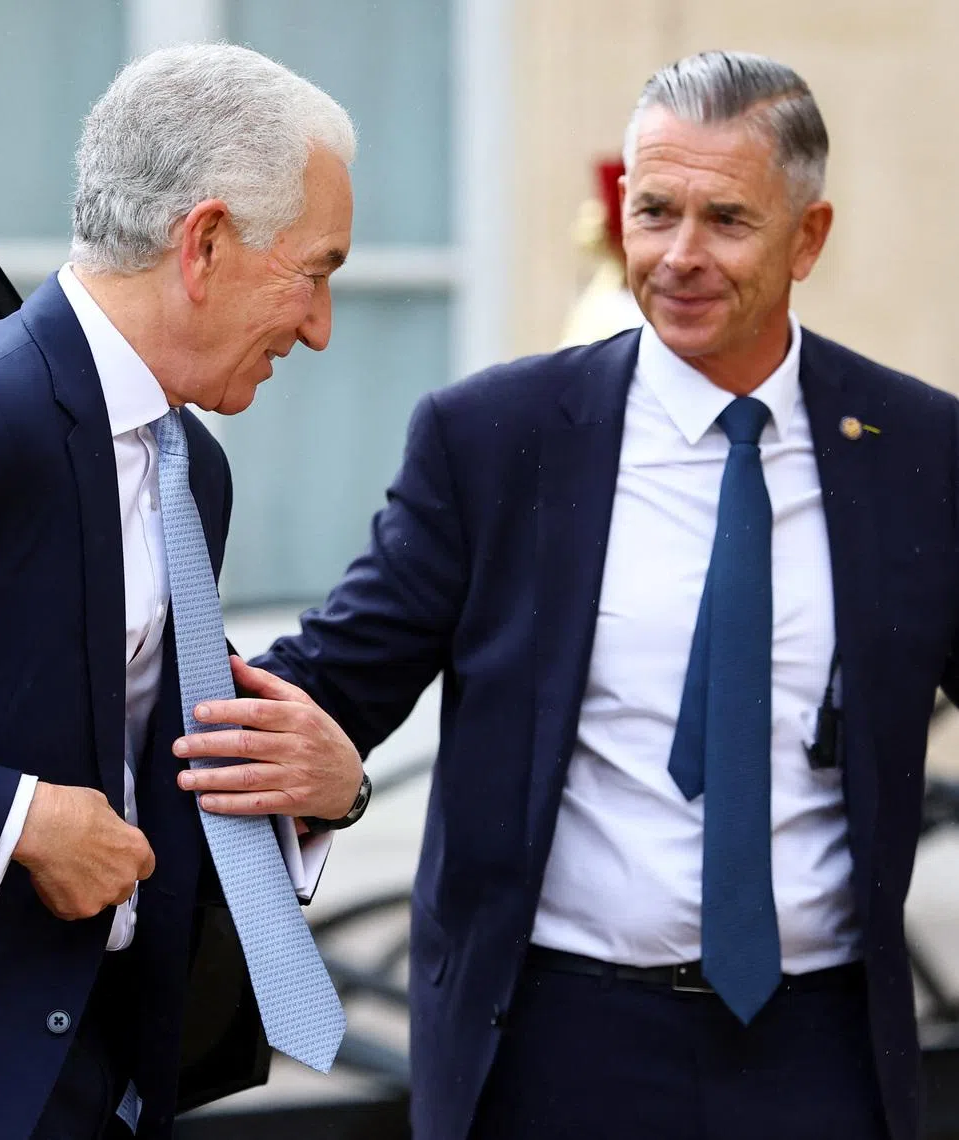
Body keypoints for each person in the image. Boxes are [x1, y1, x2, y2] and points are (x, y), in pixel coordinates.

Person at [177, 50, 959, 1140]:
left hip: (819, 1053)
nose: (679, 256)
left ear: (809, 237)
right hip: (551, 1045)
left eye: (726, 220)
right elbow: (339, 676)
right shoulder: (497, 440)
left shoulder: (921, 451)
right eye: (652, 211)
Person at [0, 42, 368, 1140]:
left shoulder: (191, 465)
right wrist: (16, 823)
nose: (319, 326)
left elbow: (142, 772)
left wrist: (324, 793)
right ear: (204, 243)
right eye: (314, 271)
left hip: (104, 1081)